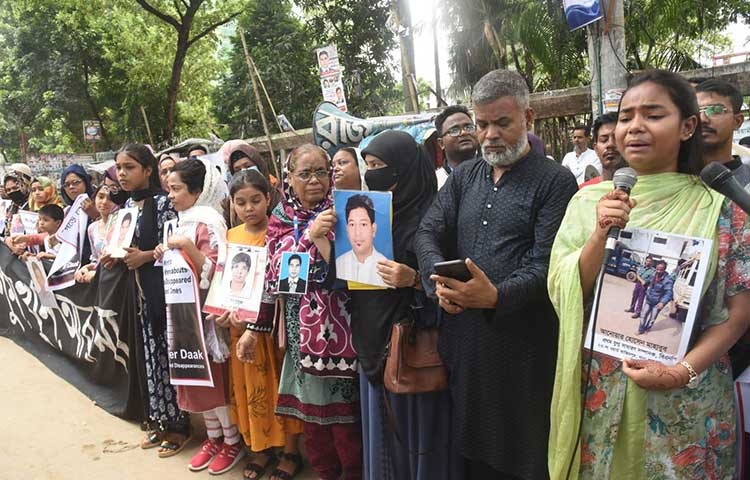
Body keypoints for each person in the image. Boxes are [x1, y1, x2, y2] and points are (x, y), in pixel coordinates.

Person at [548, 69, 750, 480]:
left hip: (688, 396)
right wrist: (599, 234)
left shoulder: (722, 208)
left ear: (687, 126)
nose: (634, 127)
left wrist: (683, 370)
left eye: (653, 115)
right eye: (626, 117)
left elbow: (738, 313)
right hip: (602, 389)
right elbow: (564, 287)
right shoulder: (588, 202)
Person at [415, 68, 578, 479]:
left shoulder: (555, 181)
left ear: (529, 119)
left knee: (524, 453)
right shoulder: (465, 175)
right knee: (472, 450)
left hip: (524, 346)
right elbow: (429, 229)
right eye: (481, 123)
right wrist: (438, 283)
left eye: (502, 122)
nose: (489, 135)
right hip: (466, 343)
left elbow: (549, 265)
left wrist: (496, 296)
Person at [346, 129, 461, 479]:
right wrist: (327, 239)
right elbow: (354, 280)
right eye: (367, 165)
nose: (371, 173)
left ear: (405, 167)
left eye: (380, 165)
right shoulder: (370, 217)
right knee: (382, 444)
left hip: (414, 350)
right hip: (373, 344)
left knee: (418, 439)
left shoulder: (435, 218)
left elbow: (447, 286)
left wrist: (412, 277)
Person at [263, 144, 361, 480]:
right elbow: (278, 276)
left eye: (322, 171)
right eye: (305, 173)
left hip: (347, 330)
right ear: (289, 178)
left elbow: (359, 267)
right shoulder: (279, 219)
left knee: (347, 420)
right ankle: (325, 472)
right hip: (301, 333)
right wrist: (309, 235)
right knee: (313, 422)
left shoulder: (348, 209)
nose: (315, 180)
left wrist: (323, 237)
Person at [153, 157, 245, 475]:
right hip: (183, 314)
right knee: (194, 378)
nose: (171, 196)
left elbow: (217, 268)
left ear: (197, 190)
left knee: (213, 381)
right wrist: (165, 252)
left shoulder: (209, 220)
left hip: (205, 316)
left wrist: (185, 247)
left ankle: (231, 441)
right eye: (169, 189)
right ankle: (213, 436)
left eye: (176, 189)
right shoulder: (182, 220)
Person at [101, 144, 190, 457]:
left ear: (148, 170)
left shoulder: (164, 203)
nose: (122, 173)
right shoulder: (125, 206)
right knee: (149, 359)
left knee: (167, 358)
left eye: (130, 167)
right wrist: (114, 257)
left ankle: (179, 425)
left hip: (162, 295)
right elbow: (125, 245)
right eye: (119, 168)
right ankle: (159, 419)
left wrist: (147, 256)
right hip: (137, 296)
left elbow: (173, 246)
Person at [219, 168, 304, 480]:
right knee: (249, 390)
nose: (249, 208)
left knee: (281, 390)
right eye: (240, 202)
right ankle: (259, 448)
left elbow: (290, 282)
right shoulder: (231, 236)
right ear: (232, 204)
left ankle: (291, 452)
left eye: (256, 200)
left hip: (274, 328)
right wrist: (224, 311)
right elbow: (226, 284)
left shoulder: (283, 233)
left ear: (269, 198)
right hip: (239, 327)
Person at [696, 79, 750, 186]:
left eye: (715, 110)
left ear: (737, 121)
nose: (702, 119)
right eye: (695, 111)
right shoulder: (673, 181)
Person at [335, 194, 387, 287]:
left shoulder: (386, 267)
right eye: (352, 224)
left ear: (373, 229)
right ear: (347, 229)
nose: (357, 233)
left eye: (363, 224)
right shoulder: (339, 263)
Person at [75, 184, 117, 284]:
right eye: (101, 197)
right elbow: (96, 260)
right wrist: (86, 268)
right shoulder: (92, 228)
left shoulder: (122, 224)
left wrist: (96, 274)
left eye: (110, 199)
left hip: (117, 281)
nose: (104, 202)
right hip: (101, 283)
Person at [434, 105, 479, 189]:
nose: (464, 132)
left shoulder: (494, 173)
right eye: (454, 130)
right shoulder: (436, 183)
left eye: (468, 127)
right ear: (441, 143)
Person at [579, 112, 629, 188]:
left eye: (616, 138)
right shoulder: (583, 192)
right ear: (596, 149)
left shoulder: (646, 189)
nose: (610, 144)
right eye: (604, 140)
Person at [638, 259, 674, 334]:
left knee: (652, 318)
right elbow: (648, 280)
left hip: (657, 303)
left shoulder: (668, 280)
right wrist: (644, 282)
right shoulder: (653, 274)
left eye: (661, 270)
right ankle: (641, 330)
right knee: (643, 315)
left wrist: (662, 302)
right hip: (649, 300)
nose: (658, 271)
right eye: (657, 269)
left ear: (664, 270)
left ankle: (647, 329)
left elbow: (669, 293)